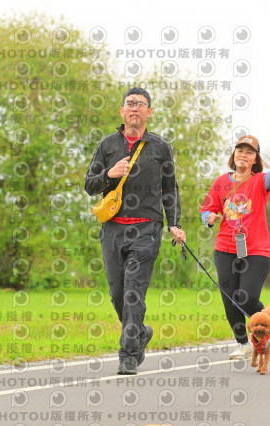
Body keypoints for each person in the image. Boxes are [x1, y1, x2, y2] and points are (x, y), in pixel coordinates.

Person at [84, 87, 186, 375]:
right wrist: (109, 174)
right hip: (113, 228)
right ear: (122, 110)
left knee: (133, 292)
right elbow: (89, 184)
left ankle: (128, 355)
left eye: (140, 104)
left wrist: (174, 223)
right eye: (130, 103)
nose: (134, 108)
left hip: (146, 229)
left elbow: (170, 189)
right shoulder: (106, 145)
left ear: (149, 112)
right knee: (118, 293)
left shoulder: (161, 147)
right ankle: (139, 332)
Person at [200, 135, 270, 359]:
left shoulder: (259, 181)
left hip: (256, 251)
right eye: (240, 150)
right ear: (234, 154)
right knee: (229, 298)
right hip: (225, 248)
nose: (243, 155)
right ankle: (243, 343)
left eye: (249, 152)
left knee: (246, 297)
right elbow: (206, 209)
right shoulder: (220, 182)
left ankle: (268, 326)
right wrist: (209, 218)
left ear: (255, 159)